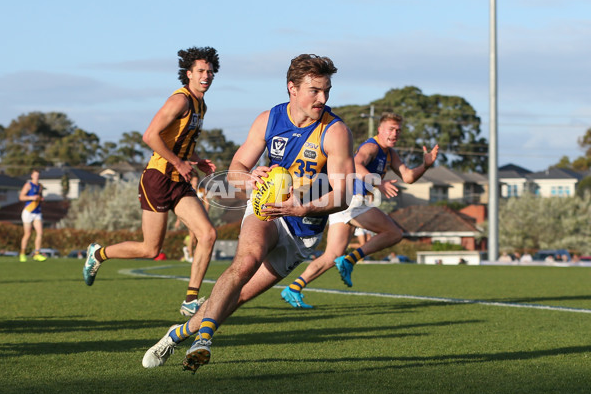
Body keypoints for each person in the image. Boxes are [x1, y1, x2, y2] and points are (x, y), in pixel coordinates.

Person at [141, 53, 355, 372]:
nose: (322, 98)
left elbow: (344, 193)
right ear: (292, 88)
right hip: (266, 209)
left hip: (303, 232)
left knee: (236, 297)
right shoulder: (268, 119)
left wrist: (303, 205)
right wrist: (249, 176)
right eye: (315, 90)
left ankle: (177, 336)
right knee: (245, 262)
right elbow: (236, 170)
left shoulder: (335, 131)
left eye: (326, 90)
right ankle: (204, 341)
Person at [82, 47, 219, 316]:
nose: (206, 75)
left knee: (208, 234)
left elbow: (179, 142)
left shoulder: (201, 105)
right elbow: (150, 136)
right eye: (201, 71)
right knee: (150, 249)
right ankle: (98, 254)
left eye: (210, 71)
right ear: (189, 74)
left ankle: (190, 300)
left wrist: (197, 160)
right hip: (156, 178)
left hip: (178, 180)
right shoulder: (179, 100)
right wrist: (179, 162)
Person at [281, 112, 438, 308]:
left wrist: (425, 165)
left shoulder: (390, 153)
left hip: (346, 204)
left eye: (398, 130)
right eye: (391, 129)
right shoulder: (371, 147)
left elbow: (407, 177)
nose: (395, 134)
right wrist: (378, 183)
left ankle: (294, 288)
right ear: (380, 130)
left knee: (331, 256)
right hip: (353, 200)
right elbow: (355, 164)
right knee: (394, 233)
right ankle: (351, 259)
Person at [19, 169, 47, 262]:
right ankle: (22, 253)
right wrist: (31, 197)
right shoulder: (28, 185)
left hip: (37, 212)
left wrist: (41, 198)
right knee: (28, 234)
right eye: (35, 175)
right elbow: (21, 197)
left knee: (40, 233)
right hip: (28, 212)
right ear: (32, 176)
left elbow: (39, 196)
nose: (37, 177)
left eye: (38, 175)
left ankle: (37, 254)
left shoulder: (40, 186)